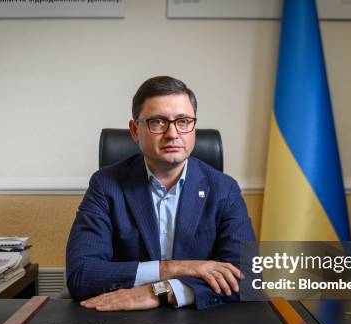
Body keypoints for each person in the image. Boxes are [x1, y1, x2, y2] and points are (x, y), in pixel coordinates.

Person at [66, 76, 257, 311]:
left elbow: (246, 276)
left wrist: (160, 292)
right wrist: (175, 268)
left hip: (200, 322)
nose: (173, 133)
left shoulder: (224, 189)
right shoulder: (106, 185)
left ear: (193, 127)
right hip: (123, 322)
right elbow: (82, 275)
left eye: (183, 121)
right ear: (135, 130)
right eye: (158, 122)